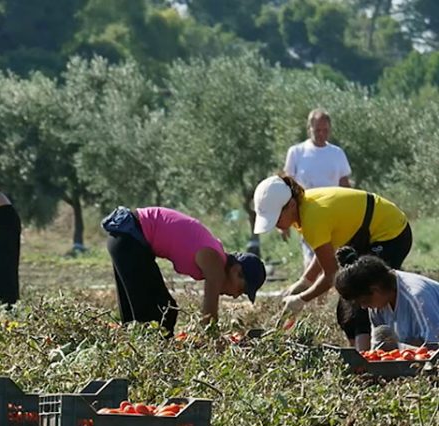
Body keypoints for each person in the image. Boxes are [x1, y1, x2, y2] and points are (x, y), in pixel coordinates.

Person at [252, 174, 411, 350]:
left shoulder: (312, 217)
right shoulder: (304, 207)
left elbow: (331, 274)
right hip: (366, 236)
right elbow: (324, 252)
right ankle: (360, 355)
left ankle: (369, 358)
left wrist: (301, 299)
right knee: (347, 302)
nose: (275, 225)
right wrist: (305, 281)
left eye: (276, 218)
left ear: (290, 205)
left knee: (360, 293)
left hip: (392, 233)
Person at [102, 206, 266, 336]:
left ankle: (139, 360)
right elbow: (208, 317)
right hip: (129, 237)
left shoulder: (216, 255)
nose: (236, 295)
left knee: (148, 316)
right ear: (236, 271)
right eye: (241, 289)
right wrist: (214, 343)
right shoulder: (215, 264)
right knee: (158, 314)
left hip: (126, 239)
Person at [283, 109, 353, 268]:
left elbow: (345, 184)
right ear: (309, 128)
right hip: (307, 213)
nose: (321, 134)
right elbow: (288, 185)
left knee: (334, 257)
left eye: (325, 130)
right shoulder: (296, 152)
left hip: (334, 212)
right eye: (317, 130)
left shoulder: (337, 153)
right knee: (312, 259)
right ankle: (313, 289)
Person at [334, 247, 439, 349]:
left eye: (364, 301)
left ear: (376, 289)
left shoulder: (417, 297)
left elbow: (434, 346)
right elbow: (379, 346)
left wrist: (398, 347)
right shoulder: (378, 304)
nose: (364, 306)